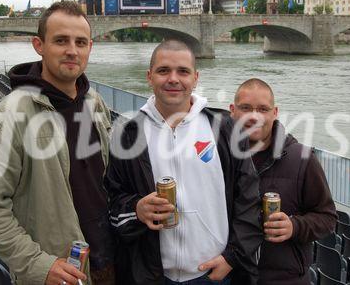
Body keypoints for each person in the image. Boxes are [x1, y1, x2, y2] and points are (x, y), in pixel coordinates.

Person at [0, 0, 115, 285]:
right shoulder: (8, 117)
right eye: (61, 40)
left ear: (90, 48)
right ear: (39, 45)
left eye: (80, 42)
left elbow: (104, 179)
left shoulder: (94, 102)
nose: (72, 50)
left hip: (108, 259)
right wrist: (36, 264)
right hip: (59, 270)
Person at [104, 40, 262, 285]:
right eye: (164, 70)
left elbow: (249, 200)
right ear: (149, 76)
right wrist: (137, 209)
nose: (173, 79)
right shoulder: (128, 134)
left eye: (183, 71)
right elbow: (113, 201)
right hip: (152, 275)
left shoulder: (225, 130)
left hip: (212, 274)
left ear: (196, 78)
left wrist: (232, 257)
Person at [230, 78, 337, 285]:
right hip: (232, 276)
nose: (254, 116)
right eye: (246, 108)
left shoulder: (302, 158)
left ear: (275, 112)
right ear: (232, 110)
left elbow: (327, 218)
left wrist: (294, 226)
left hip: (285, 279)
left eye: (263, 109)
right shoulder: (219, 156)